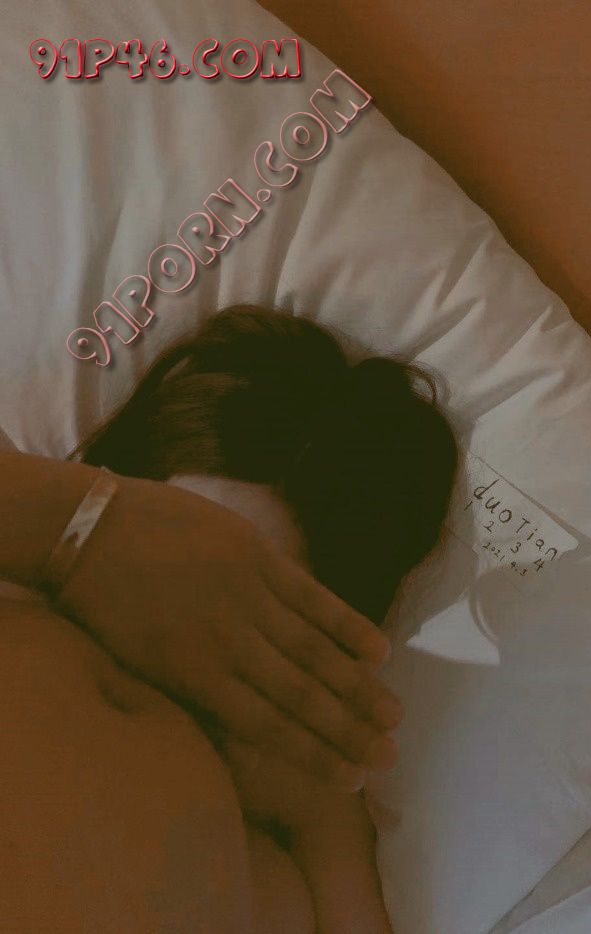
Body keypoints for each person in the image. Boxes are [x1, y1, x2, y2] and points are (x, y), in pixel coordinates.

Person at [0, 305, 458, 932]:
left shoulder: (298, 793)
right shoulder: (25, 563)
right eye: (179, 567)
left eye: (252, 605)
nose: (194, 621)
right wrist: (79, 523)